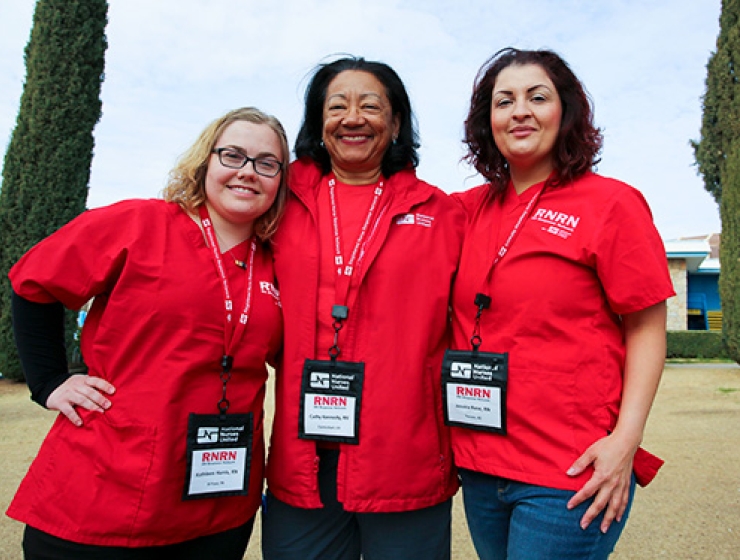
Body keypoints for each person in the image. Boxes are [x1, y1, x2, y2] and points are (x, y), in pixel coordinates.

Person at [6, 107, 288, 560]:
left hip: (218, 503)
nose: (247, 172)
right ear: (205, 161)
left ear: (280, 180)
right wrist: (49, 382)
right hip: (103, 491)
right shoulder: (138, 223)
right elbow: (33, 284)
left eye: (266, 163)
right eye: (233, 155)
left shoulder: (278, 262)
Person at [446, 48, 675, 559]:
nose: (520, 111)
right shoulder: (465, 210)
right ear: (488, 122)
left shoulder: (611, 204)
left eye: (537, 97)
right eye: (504, 101)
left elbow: (646, 327)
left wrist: (625, 442)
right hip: (482, 468)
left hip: (569, 472)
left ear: (566, 112)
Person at [261, 56, 465, 560]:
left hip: (404, 459)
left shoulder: (442, 213)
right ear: (318, 121)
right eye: (337, 106)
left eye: (371, 105)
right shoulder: (276, 198)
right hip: (300, 458)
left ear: (395, 124)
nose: (353, 117)